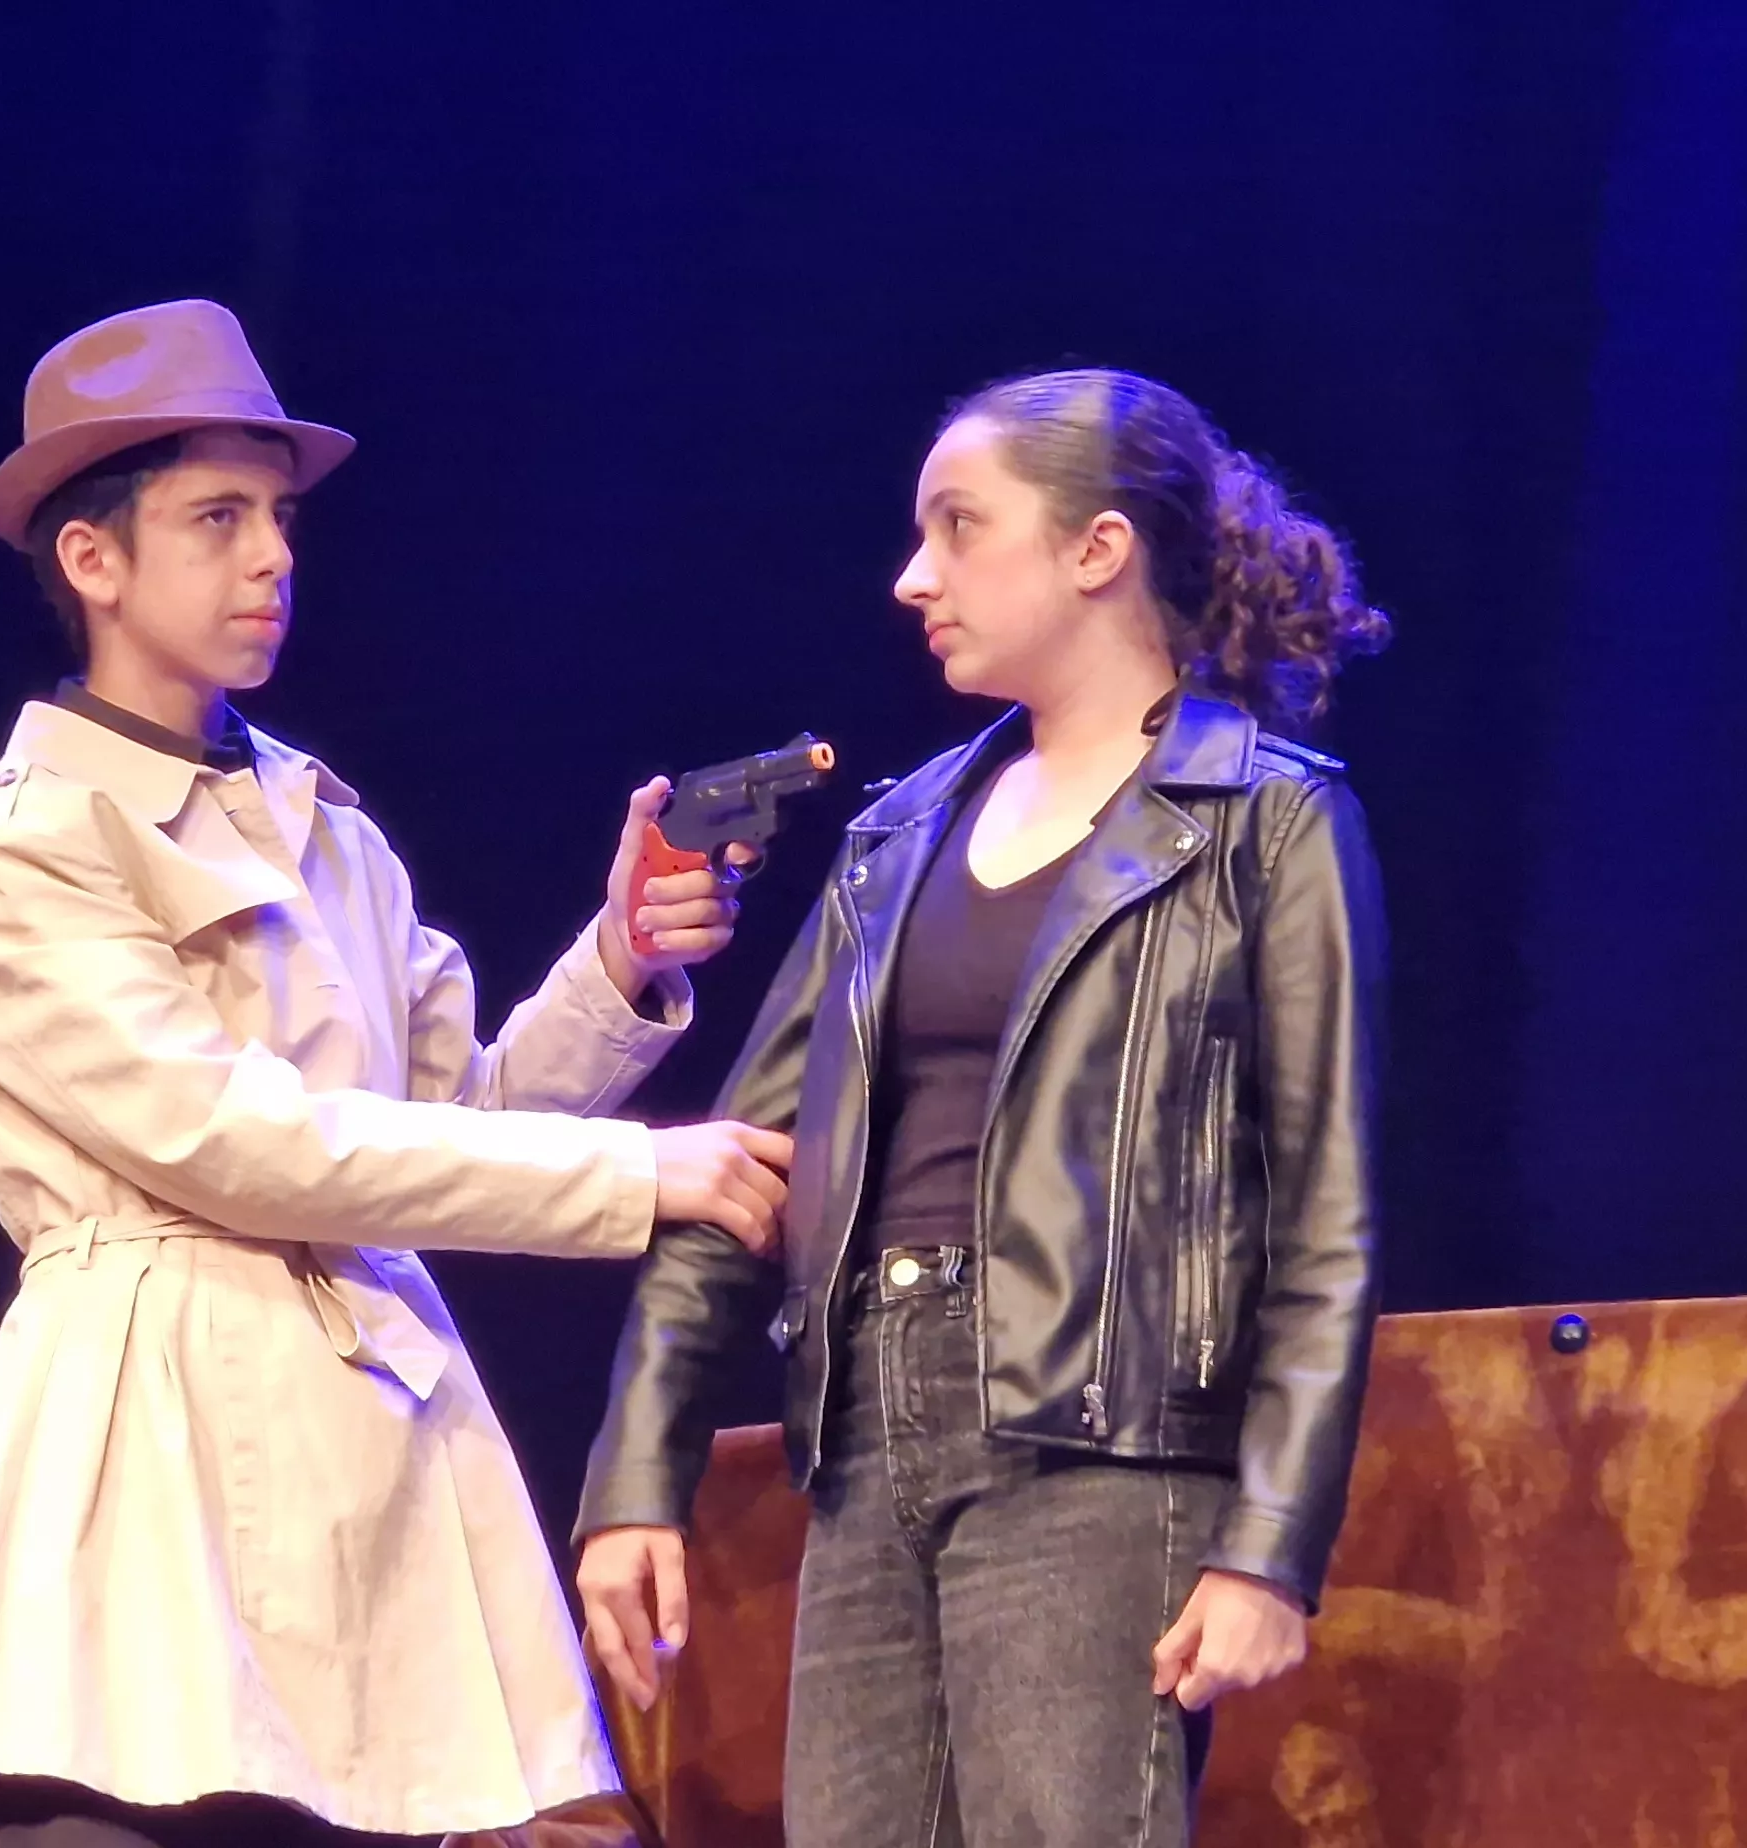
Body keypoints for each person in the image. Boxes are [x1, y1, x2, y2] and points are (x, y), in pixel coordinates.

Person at [0, 300, 793, 1847]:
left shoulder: (319, 821)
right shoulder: (31, 843)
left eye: (281, 518)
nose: (271, 558)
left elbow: (460, 1121)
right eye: (217, 519)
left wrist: (624, 956)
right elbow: (247, 1146)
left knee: (519, 1811)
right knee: (157, 1798)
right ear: (94, 561)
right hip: (157, 1412)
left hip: (375, 1412)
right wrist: (642, 1179)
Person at [573, 366, 1392, 1846]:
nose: (914, 577)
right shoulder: (899, 835)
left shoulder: (1264, 821)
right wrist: (639, 1473)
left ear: (1097, 551)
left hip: (1095, 1439)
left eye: (959, 529)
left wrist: (1270, 1544)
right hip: (871, 1422)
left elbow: (1327, 1223)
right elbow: (742, 1170)